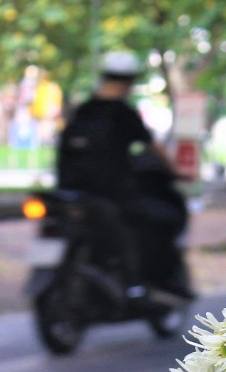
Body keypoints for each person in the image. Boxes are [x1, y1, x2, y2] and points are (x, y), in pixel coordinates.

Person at [57, 52, 190, 296]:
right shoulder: (122, 113)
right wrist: (176, 172)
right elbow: (154, 147)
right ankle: (139, 281)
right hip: (112, 195)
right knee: (165, 218)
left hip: (72, 194)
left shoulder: (83, 110)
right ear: (129, 81)